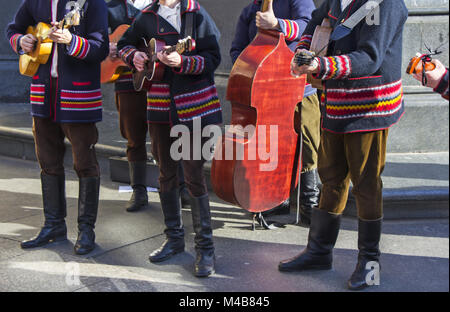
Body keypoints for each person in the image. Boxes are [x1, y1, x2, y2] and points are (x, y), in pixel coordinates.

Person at [279, 0, 408, 290]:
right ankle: (319, 252)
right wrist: (303, 51)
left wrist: (321, 65)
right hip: (336, 101)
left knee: (366, 183)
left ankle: (369, 264)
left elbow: (370, 56)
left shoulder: (385, 5)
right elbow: (314, 23)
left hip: (370, 108)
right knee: (331, 177)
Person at [117, 0, 222, 277]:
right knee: (165, 174)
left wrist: (184, 61)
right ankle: (174, 239)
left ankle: (205, 248)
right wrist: (135, 57)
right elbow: (125, 44)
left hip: (193, 106)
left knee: (194, 175)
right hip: (160, 107)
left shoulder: (196, 14)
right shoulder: (147, 15)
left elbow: (213, 57)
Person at [6, 0, 109, 255]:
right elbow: (13, 28)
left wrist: (71, 41)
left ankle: (86, 230)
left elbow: (101, 49)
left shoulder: (92, 3)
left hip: (78, 96)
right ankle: (53, 225)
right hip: (43, 95)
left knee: (84, 163)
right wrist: (22, 41)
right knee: (47, 162)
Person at [230, 0, 320, 225]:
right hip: (267, 92)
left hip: (299, 86)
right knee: (272, 144)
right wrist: (250, 70)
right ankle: (276, 198)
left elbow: (307, 25)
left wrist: (277, 23)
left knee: (308, 143)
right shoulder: (250, 9)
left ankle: (309, 201)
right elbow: (237, 49)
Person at [107, 0, 153, 212]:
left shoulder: (165, 5)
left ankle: (179, 187)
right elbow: (96, 39)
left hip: (159, 79)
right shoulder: (110, 7)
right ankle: (139, 190)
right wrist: (107, 48)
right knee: (133, 138)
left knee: (168, 135)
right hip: (127, 81)